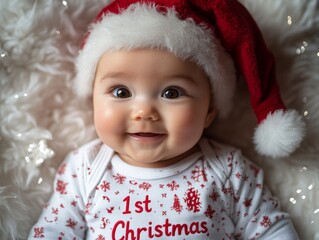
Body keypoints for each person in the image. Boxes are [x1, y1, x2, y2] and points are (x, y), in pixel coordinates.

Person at [28, 0, 305, 239]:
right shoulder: (85, 170)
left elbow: (271, 229)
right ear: (93, 100)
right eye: (121, 91)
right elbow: (54, 230)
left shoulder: (228, 171)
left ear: (210, 111)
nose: (144, 112)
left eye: (172, 93)